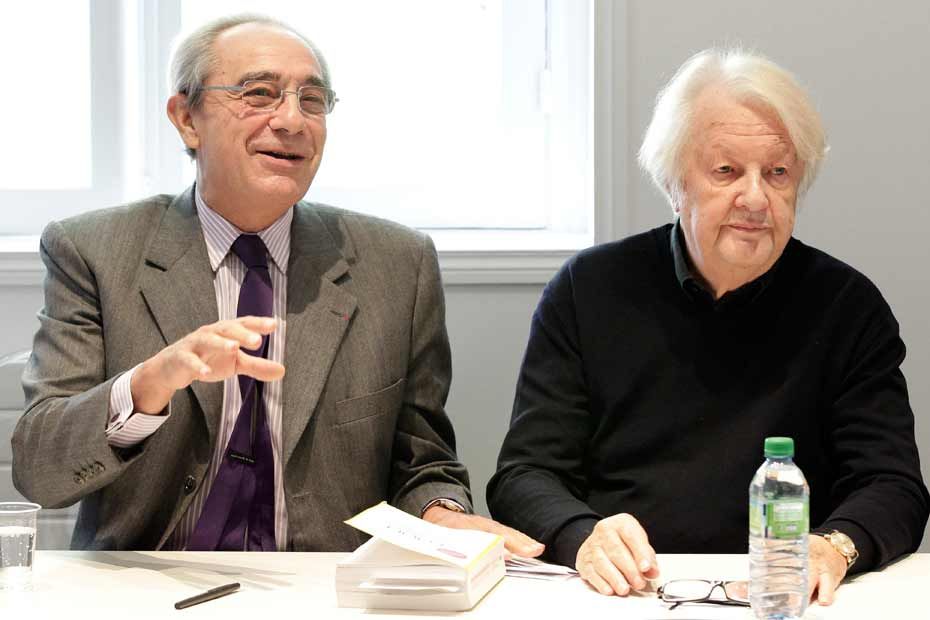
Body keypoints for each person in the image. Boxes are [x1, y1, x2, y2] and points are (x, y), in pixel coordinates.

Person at [12, 14, 542, 557]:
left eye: (312, 100)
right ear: (187, 119)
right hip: (147, 578)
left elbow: (422, 463)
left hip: (324, 583)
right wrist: (148, 385)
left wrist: (442, 514)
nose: (292, 120)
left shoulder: (398, 264)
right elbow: (40, 470)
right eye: (259, 94)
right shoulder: (94, 251)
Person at [487, 48, 928, 604]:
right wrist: (583, 536)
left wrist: (833, 546)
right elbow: (525, 475)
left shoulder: (848, 306)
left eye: (778, 173)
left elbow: (893, 485)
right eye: (726, 171)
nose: (755, 198)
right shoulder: (588, 289)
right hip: (624, 593)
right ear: (675, 184)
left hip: (783, 592)